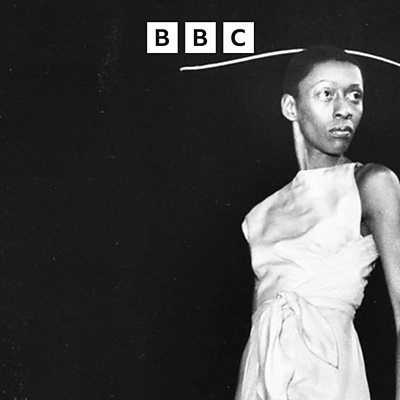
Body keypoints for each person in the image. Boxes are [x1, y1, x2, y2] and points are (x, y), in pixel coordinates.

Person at [234, 45, 400, 400]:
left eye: (355, 95)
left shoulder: (371, 184)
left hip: (331, 377)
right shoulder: (260, 215)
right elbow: (257, 332)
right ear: (291, 107)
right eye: (326, 94)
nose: (344, 109)